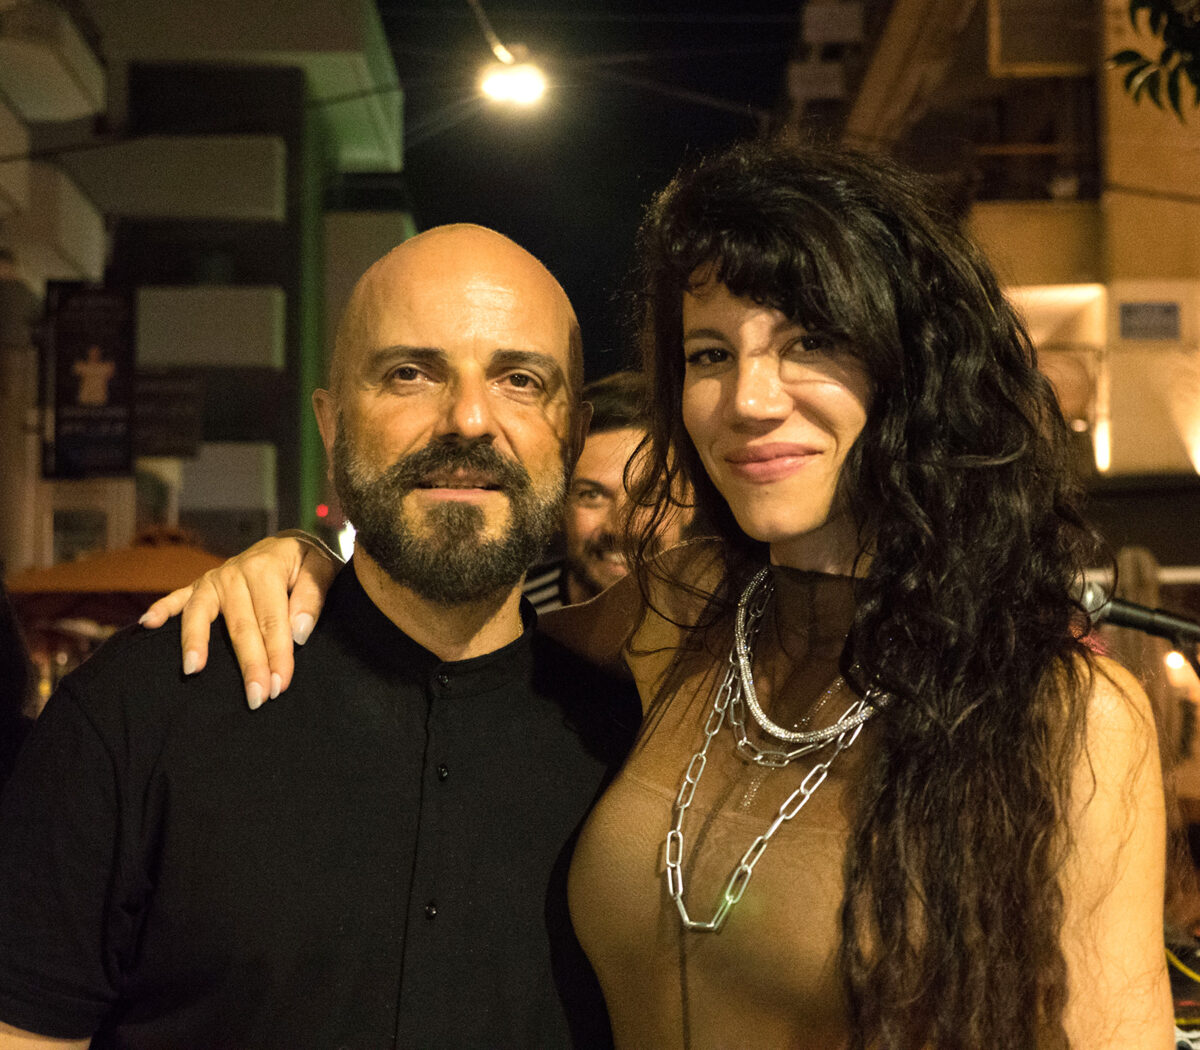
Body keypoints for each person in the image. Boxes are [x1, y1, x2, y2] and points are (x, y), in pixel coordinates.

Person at [139, 142, 1172, 1048]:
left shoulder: (1063, 721)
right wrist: (304, 561)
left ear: (919, 368)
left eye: (810, 343)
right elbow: (454, 635)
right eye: (711, 354)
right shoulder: (681, 611)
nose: (749, 400)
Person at [0, 224, 638, 1049]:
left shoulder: (639, 747)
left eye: (520, 379)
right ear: (332, 428)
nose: (469, 419)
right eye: (410, 374)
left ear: (574, 435)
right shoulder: (141, 712)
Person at [524, 369, 688, 612]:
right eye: (592, 495)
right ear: (558, 507)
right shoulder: (507, 620)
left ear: (689, 499)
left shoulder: (735, 616)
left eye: (649, 494)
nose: (621, 528)